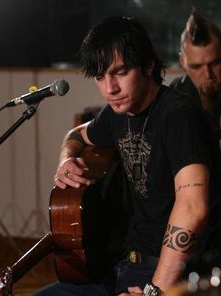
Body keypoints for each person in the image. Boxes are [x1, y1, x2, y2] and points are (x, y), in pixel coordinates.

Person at [33, 16, 219, 296]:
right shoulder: (116, 113)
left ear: (148, 65)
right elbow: (75, 136)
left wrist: (154, 291)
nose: (110, 89)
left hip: (176, 276)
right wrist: (66, 160)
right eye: (100, 77)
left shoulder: (179, 115)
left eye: (120, 73)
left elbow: (193, 209)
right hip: (126, 267)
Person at [170, 9, 221, 143]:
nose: (208, 74)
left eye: (215, 63)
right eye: (196, 66)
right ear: (182, 62)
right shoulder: (174, 97)